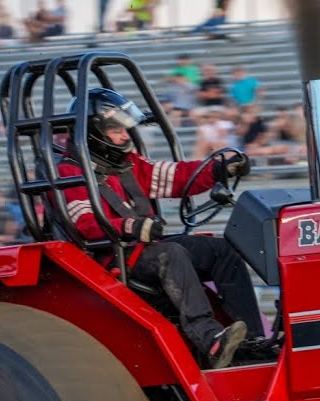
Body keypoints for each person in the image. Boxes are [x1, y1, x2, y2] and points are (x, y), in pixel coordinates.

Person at [57, 88, 261, 369]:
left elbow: (176, 177)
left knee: (222, 250)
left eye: (125, 129)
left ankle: (252, 340)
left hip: (145, 246)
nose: (125, 137)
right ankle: (210, 339)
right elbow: (85, 225)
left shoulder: (129, 164)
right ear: (93, 134)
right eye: (117, 131)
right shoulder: (69, 174)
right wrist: (132, 226)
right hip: (113, 258)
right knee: (171, 253)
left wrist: (219, 169)